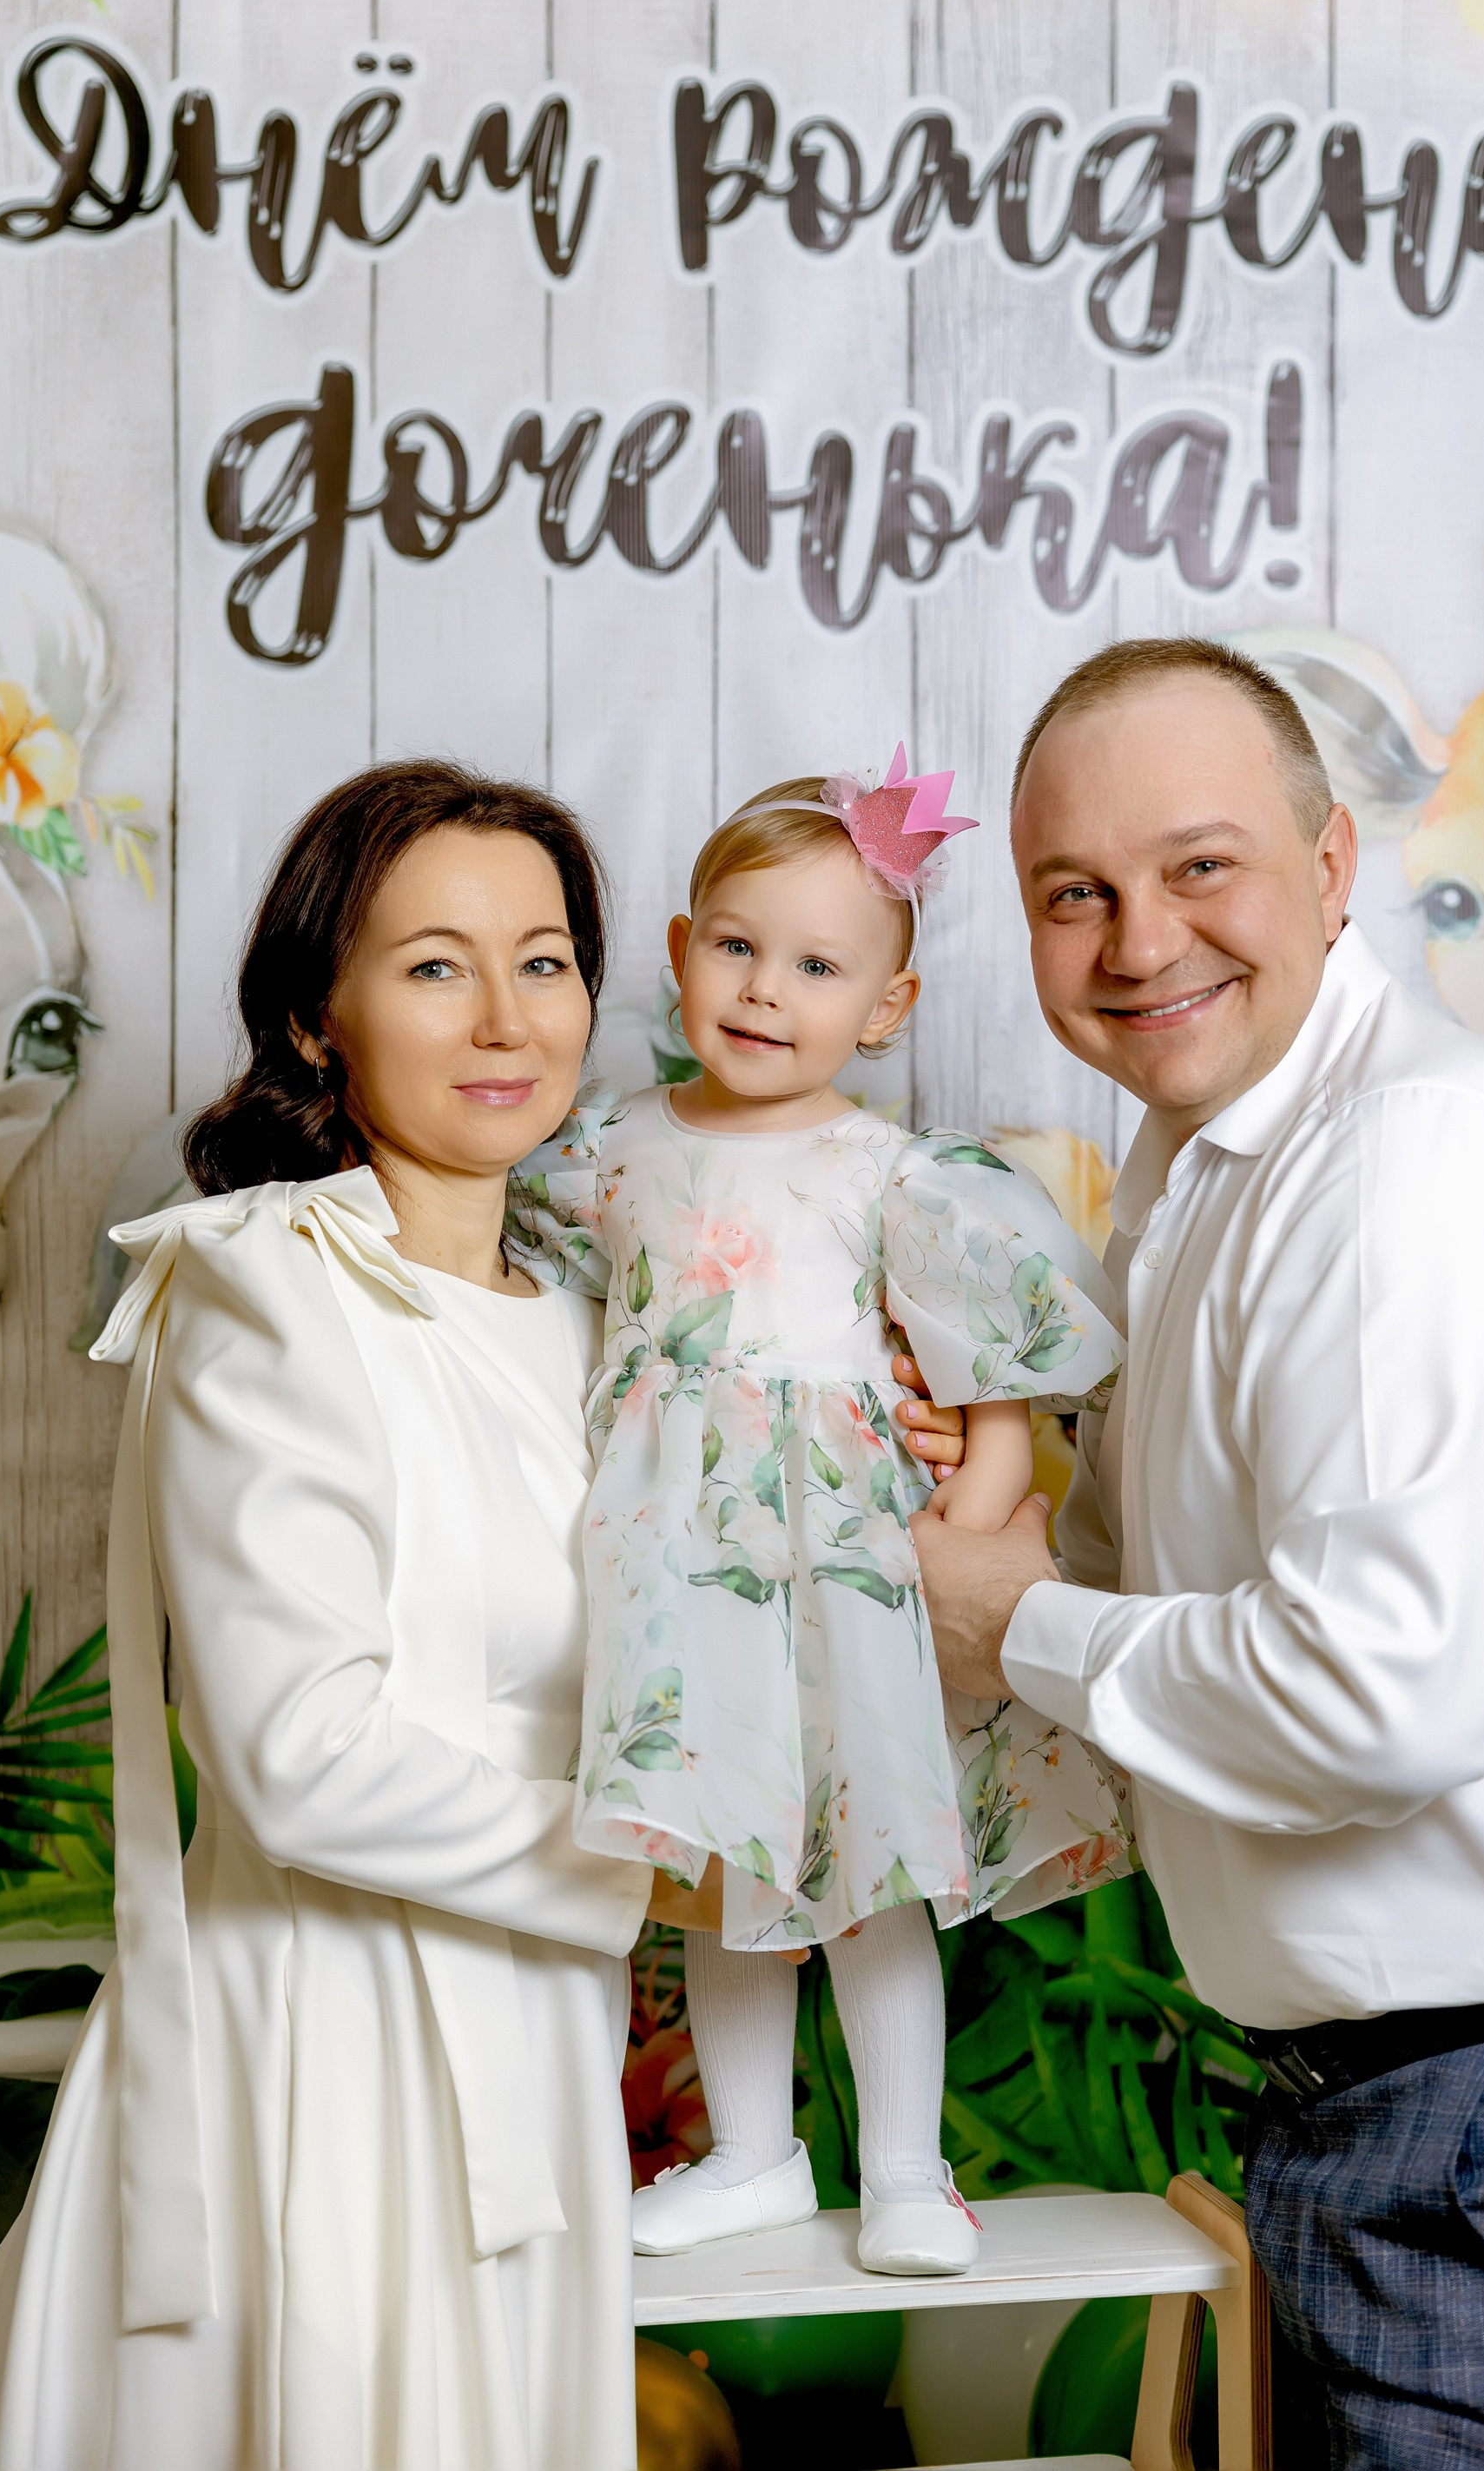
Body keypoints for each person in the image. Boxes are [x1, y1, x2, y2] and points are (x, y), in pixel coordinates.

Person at [911, 638, 1484, 2467]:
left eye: (1200, 867)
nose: (1139, 942)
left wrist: (1016, 1623)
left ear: (1330, 868)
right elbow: (1161, 1601)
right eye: (1075, 894)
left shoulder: (1400, 1167)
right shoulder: (1202, 1170)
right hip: (1416, 2113)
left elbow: (1377, 1694)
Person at [0, 760, 709, 2471]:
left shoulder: (602, 1323)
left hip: (536, 2038)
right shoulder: (263, 1291)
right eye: (436, 965)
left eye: (544, 960)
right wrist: (659, 1868)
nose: (507, 1016)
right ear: (319, 1017)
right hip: (321, 2054)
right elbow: (300, 1757)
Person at [512, 756, 1131, 2279]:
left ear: (886, 1006)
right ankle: (753, 2158)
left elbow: (991, 1389)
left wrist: (956, 1556)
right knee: (722, 1872)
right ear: (678, 953)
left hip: (848, 1579)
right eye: (736, 947)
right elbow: (523, 1313)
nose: (765, 990)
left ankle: (909, 2172)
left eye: (816, 966)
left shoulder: (892, 1175)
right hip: (676, 1575)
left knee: (869, 1877)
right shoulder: (607, 1154)